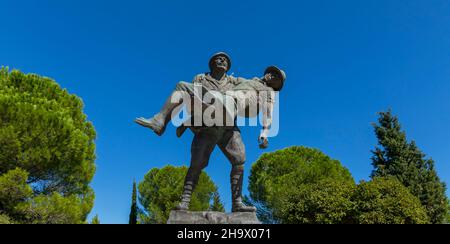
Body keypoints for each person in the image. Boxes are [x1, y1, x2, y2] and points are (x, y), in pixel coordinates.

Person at [135, 52, 257, 212]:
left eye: (225, 59)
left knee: (239, 159)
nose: (222, 60)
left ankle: (237, 203)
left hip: (227, 127)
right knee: (196, 164)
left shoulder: (234, 81)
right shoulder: (200, 79)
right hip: (207, 127)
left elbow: (252, 86)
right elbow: (190, 104)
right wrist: (191, 122)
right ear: (211, 64)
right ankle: (185, 201)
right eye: (218, 59)